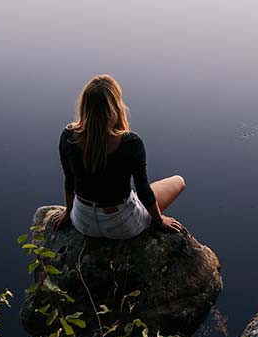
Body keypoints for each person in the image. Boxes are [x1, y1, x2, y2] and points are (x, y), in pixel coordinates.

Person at [53, 75, 185, 239]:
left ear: (84, 106)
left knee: (133, 196)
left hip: (83, 222)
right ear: (115, 106)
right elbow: (144, 190)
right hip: (121, 226)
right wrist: (159, 220)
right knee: (178, 181)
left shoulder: (68, 136)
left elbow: (69, 181)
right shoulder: (130, 143)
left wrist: (67, 211)